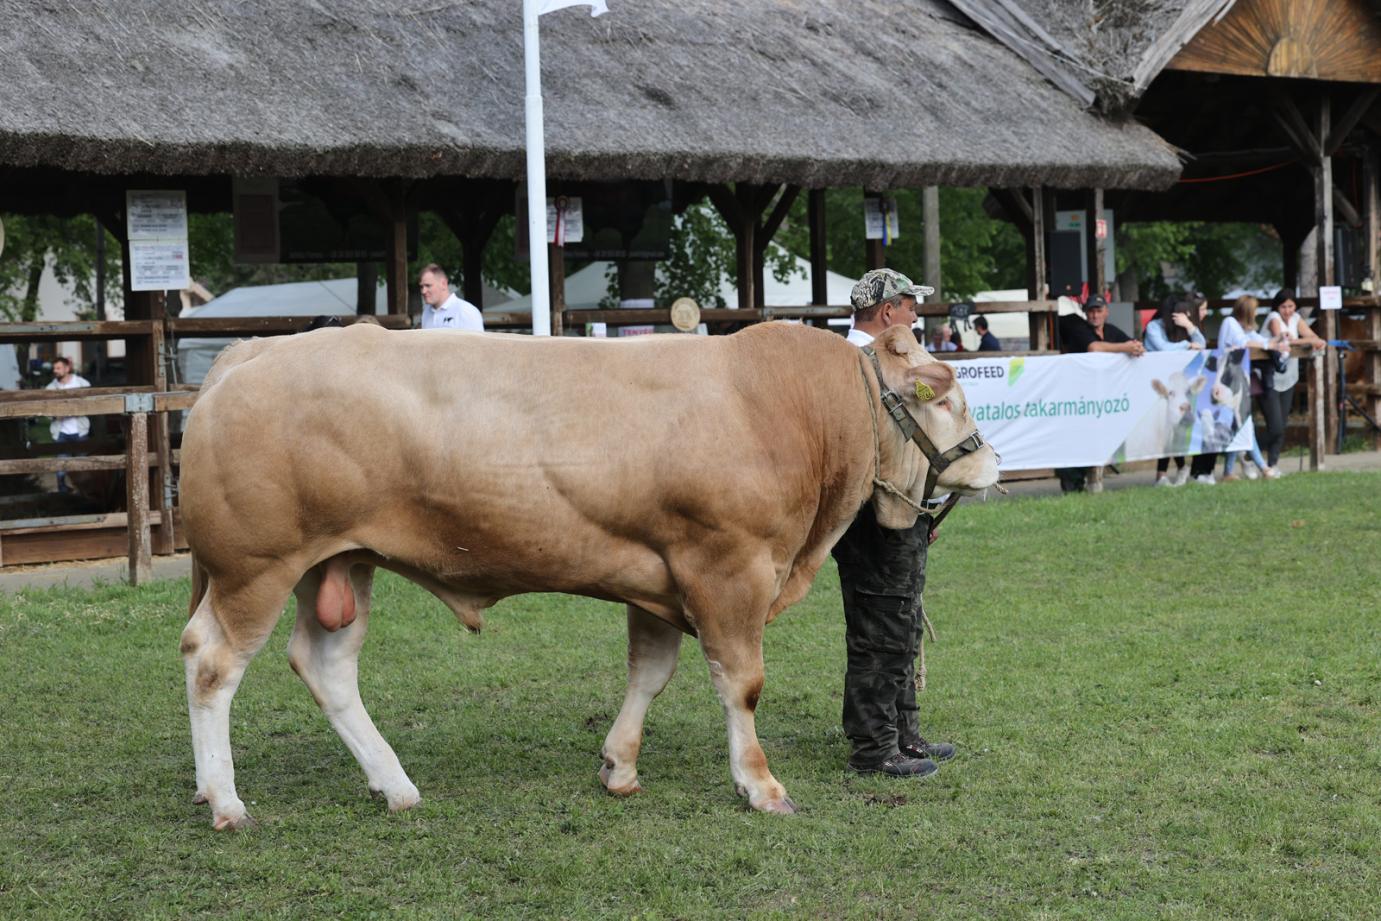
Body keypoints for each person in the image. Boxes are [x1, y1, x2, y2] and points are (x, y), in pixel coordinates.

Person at [834, 268, 955, 779]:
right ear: (887, 313)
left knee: (898, 621)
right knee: (881, 625)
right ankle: (874, 745)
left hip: (892, 508)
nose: (915, 314)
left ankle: (901, 733)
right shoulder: (865, 366)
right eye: (909, 306)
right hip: (875, 513)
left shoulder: (850, 362)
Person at [1056, 296, 1144, 493]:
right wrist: (1126, 348)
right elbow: (1094, 348)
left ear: (1106, 311)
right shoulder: (1080, 330)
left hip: (1103, 397)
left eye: (1098, 310)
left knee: (1097, 438)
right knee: (1077, 440)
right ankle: (1072, 485)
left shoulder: (1111, 330)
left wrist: (1136, 347)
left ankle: (1093, 480)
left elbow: (1132, 343)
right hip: (1078, 396)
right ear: (1086, 313)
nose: (1095, 315)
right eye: (1091, 311)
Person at [1257, 287, 1326, 471]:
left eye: (1290, 306)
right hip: (1268, 376)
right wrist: (1305, 341)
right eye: (1283, 307)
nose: (1287, 311)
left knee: (1282, 424)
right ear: (1277, 307)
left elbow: (1314, 336)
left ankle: (1272, 464)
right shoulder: (1273, 318)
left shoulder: (1296, 319)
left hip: (1289, 377)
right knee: (1276, 426)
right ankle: (1250, 450)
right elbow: (1282, 340)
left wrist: (1306, 340)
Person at [1143, 297, 1206, 486]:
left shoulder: (1180, 330)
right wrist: (1187, 345)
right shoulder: (1155, 327)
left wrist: (1190, 327)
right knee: (1164, 428)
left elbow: (1201, 344)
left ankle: (1169, 472)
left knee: (1173, 427)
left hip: (1175, 387)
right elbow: (1163, 349)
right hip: (1155, 384)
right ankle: (1172, 470)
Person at [1218, 295, 1282, 481]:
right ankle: (1264, 468)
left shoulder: (1241, 327)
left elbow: (1254, 337)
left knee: (1239, 425)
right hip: (1228, 380)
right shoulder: (1230, 323)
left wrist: (1275, 340)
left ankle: (1229, 472)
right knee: (1243, 423)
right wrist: (1268, 344)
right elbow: (1244, 342)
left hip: (1238, 380)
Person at [45, 356, 91, 494]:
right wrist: (54, 415)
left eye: (58, 368)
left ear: (67, 368)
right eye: (54, 368)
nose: (55, 371)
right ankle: (62, 492)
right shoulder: (50, 388)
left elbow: (91, 403)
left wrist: (79, 410)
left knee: (82, 463)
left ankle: (84, 491)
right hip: (61, 431)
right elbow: (45, 410)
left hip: (80, 430)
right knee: (61, 463)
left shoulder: (82, 384)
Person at [418, 264, 484, 331]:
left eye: (428, 285)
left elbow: (478, 341)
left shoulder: (466, 311)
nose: (423, 291)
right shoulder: (426, 313)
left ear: (443, 283)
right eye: (421, 287)